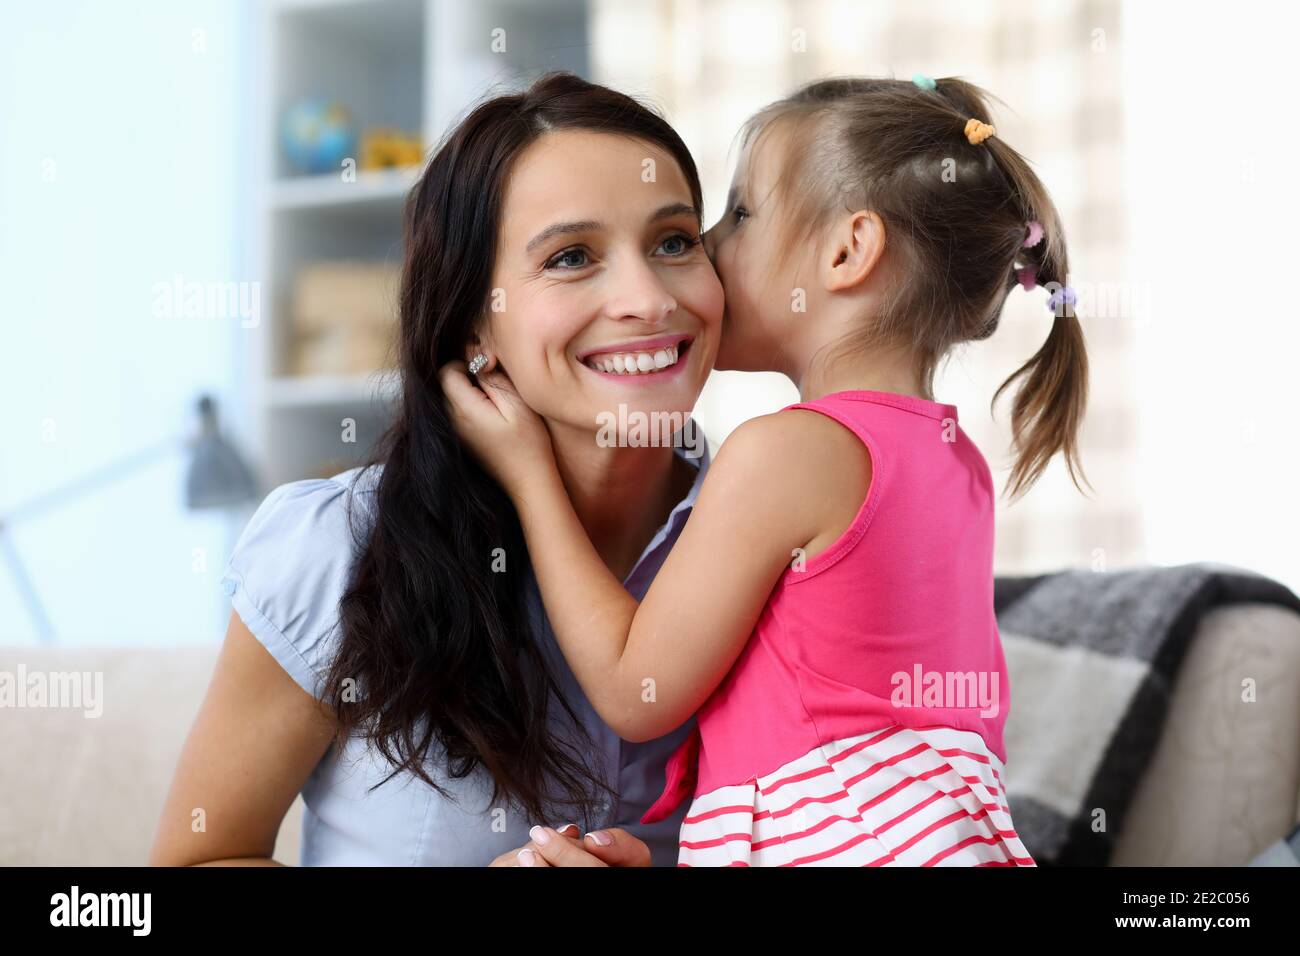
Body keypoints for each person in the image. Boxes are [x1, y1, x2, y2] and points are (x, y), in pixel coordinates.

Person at [442, 75, 1087, 865]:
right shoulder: (956, 461)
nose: (707, 247)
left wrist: (528, 474)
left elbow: (632, 689)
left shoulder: (786, 453)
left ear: (847, 251)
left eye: (741, 214)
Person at [149, 72, 724, 866]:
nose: (648, 298)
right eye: (571, 257)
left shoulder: (786, 550)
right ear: (471, 324)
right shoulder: (337, 551)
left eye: (673, 242)